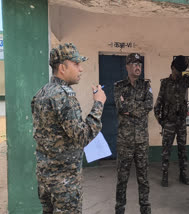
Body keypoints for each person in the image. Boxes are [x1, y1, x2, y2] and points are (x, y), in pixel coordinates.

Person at [31, 43, 106, 213]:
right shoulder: (64, 96)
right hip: (64, 183)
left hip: (45, 179)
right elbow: (82, 136)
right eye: (76, 64)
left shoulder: (41, 93)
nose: (81, 69)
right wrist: (99, 104)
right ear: (62, 68)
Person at [114, 53, 153, 214]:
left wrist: (130, 107)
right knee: (122, 179)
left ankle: (145, 209)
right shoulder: (119, 86)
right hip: (125, 141)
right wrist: (138, 107)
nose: (138, 67)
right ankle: (119, 209)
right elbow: (120, 107)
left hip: (142, 141)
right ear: (127, 67)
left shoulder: (146, 85)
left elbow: (149, 105)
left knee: (143, 179)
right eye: (134, 64)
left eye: (140, 64)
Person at [154, 55, 189, 187]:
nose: (179, 72)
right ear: (172, 68)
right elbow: (157, 104)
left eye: (181, 70)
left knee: (183, 150)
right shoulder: (165, 83)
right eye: (177, 70)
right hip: (169, 122)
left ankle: (183, 174)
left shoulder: (185, 81)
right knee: (166, 151)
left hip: (181, 122)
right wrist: (162, 122)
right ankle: (165, 176)